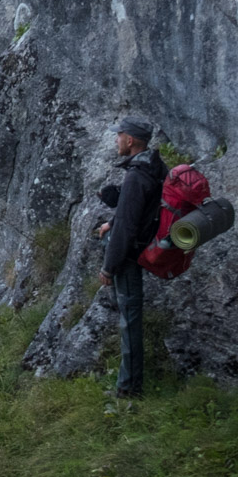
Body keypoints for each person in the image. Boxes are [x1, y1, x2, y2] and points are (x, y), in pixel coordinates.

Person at [92, 116, 167, 399]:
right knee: (131, 316)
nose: (116, 140)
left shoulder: (136, 176)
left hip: (130, 256)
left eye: (119, 135)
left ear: (130, 140)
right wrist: (114, 219)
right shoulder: (155, 166)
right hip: (145, 247)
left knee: (130, 319)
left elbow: (126, 227)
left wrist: (109, 268)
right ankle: (130, 384)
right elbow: (144, 211)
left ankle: (129, 389)